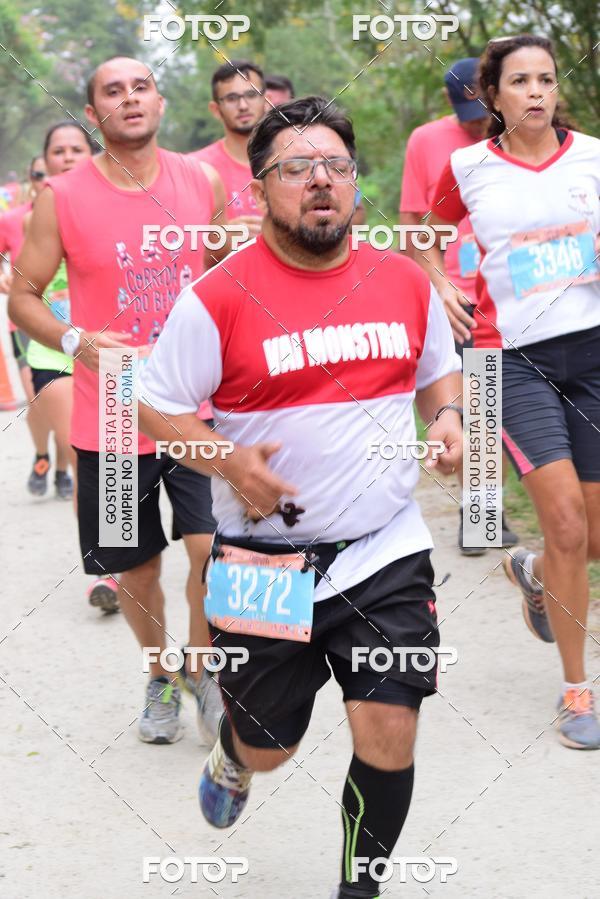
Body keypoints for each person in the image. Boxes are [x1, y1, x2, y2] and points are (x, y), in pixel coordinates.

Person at [137, 96, 463, 899]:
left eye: (336, 166)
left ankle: (361, 887)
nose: (321, 181)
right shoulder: (217, 296)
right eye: (295, 168)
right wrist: (227, 463)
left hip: (383, 547)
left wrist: (450, 417)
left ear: (355, 181)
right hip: (264, 560)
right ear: (259, 189)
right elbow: (151, 401)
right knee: (269, 743)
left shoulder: (399, 280)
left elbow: (435, 372)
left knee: (389, 725)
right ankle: (236, 755)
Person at [9, 56, 229, 745]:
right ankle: (160, 672)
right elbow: (22, 294)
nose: (130, 99)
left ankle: (203, 668)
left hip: (196, 405)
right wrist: (76, 339)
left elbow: (228, 281)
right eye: (113, 91)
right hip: (110, 412)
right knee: (133, 566)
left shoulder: (203, 182)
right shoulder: (64, 197)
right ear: (94, 111)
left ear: (160, 100)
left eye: (141, 87)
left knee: (214, 550)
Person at [428, 34, 600, 749]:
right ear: (491, 97)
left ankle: (532, 572)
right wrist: (440, 281)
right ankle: (576, 688)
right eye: (519, 81)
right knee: (563, 521)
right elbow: (426, 232)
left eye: (547, 80)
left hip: (592, 352)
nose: (535, 91)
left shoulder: (592, 156)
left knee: (589, 535)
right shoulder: (467, 166)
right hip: (510, 360)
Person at [400, 57, 518, 555]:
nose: (475, 122)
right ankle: (481, 511)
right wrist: (434, 285)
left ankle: (485, 507)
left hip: (507, 290)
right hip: (450, 292)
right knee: (471, 402)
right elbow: (411, 224)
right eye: (465, 112)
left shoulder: (516, 139)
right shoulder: (426, 141)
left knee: (493, 402)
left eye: (481, 110)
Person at [0, 156, 51, 493]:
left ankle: (64, 467)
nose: (45, 179)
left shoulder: (86, 212)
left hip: (84, 325)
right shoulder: (14, 220)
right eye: (38, 174)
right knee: (38, 397)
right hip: (30, 325)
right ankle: (42, 454)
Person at [189, 60, 266, 239]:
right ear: (216, 109)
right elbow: (176, 237)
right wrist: (218, 235)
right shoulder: (195, 168)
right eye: (231, 98)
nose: (243, 106)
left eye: (251, 95)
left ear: (265, 100)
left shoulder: (291, 162)